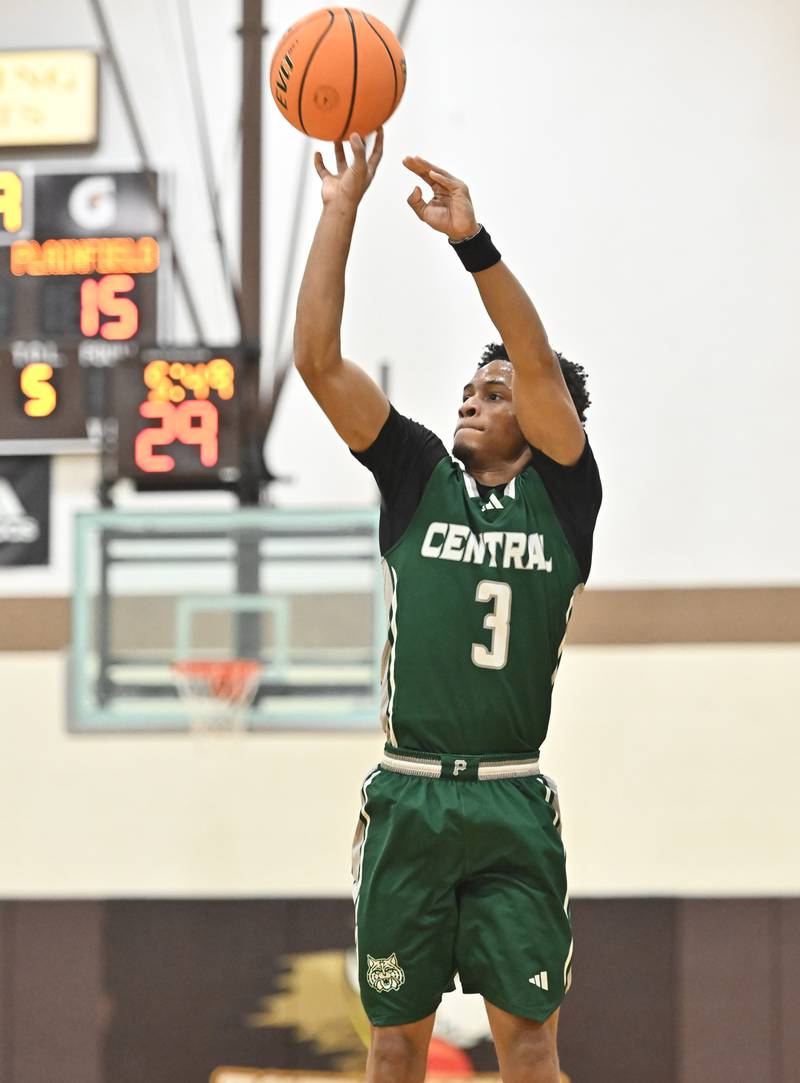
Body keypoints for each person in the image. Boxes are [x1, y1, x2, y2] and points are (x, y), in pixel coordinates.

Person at [293, 128, 602, 1083]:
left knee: (531, 1043)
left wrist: (475, 246)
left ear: (546, 421)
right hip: (411, 791)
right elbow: (317, 361)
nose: (473, 398)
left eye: (495, 390)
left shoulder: (565, 494)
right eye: (467, 386)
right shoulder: (418, 474)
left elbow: (539, 369)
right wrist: (341, 213)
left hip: (510, 795)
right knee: (394, 1044)